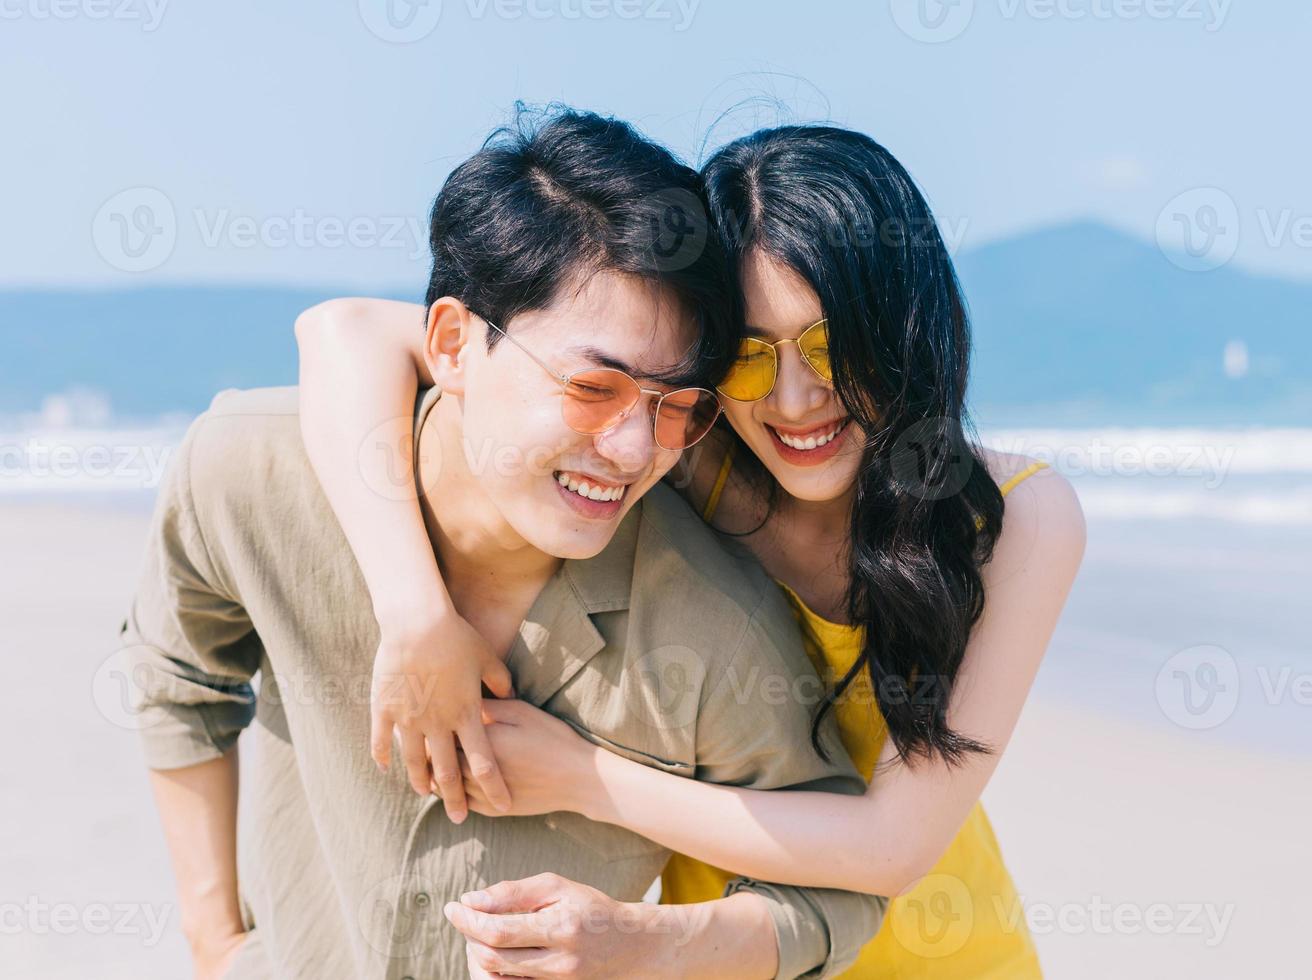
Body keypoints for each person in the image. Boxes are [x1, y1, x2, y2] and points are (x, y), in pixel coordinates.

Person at [296, 123, 1086, 977]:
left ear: (901, 325)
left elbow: (891, 847)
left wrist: (577, 775)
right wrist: (413, 614)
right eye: (749, 357)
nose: (795, 398)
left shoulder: (1008, 518)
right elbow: (345, 333)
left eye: (831, 345)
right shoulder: (676, 447)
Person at [122, 107, 885, 980]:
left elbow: (839, 891)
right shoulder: (245, 473)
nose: (636, 452)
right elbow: (175, 681)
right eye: (594, 386)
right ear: (452, 343)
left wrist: (645, 948)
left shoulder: (715, 627)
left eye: (675, 406)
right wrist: (214, 943)